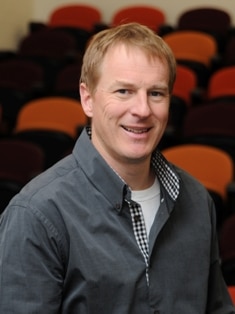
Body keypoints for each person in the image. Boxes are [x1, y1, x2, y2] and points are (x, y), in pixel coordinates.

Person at [0, 22, 234, 314]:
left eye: (156, 93)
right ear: (87, 99)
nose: (142, 110)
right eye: (124, 91)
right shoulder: (37, 214)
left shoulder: (197, 200)